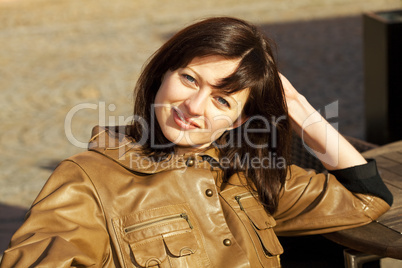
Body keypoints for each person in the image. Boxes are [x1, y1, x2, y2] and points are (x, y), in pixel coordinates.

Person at [0, 17, 392, 268]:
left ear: (239, 119)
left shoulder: (251, 176)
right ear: (161, 74)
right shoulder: (90, 181)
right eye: (189, 79)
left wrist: (298, 107)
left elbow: (366, 196)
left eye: (222, 99)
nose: (194, 107)